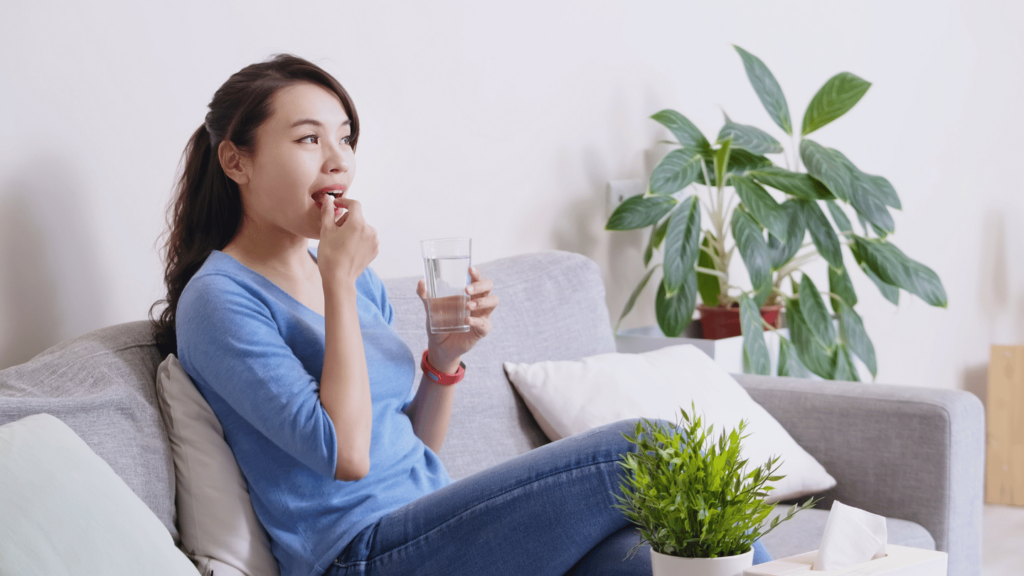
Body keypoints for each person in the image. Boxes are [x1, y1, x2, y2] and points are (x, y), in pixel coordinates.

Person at [149, 54, 773, 576]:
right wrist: (336, 279)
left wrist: (443, 359)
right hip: (359, 556)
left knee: (658, 556)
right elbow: (347, 456)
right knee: (651, 447)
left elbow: (412, 447)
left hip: (432, 528)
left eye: (345, 138)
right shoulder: (221, 299)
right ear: (236, 161)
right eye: (309, 139)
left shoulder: (352, 275)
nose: (338, 160)